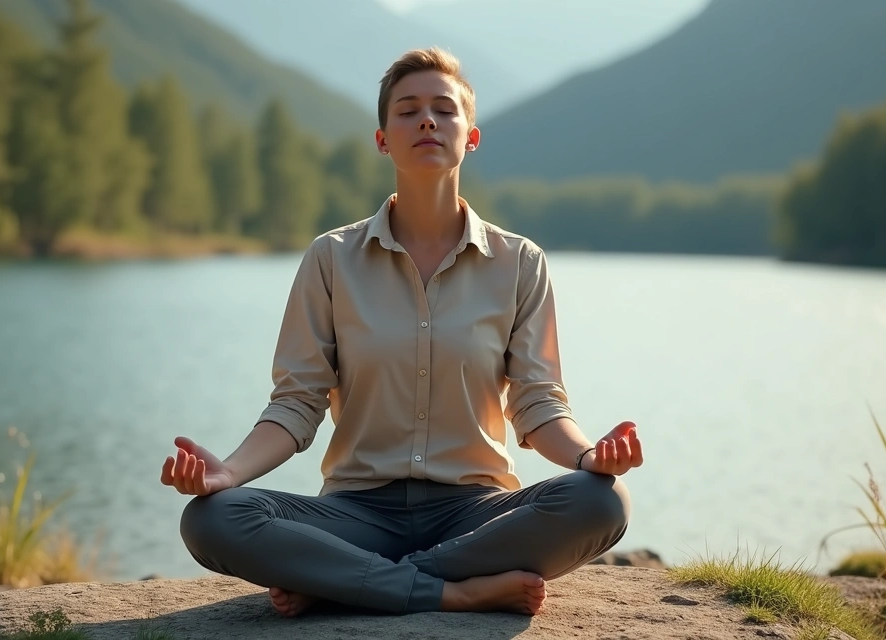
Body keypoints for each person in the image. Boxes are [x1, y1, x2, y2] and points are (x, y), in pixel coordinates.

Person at [160, 47, 644, 618]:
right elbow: (297, 403)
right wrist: (228, 472)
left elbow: (537, 404)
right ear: (383, 139)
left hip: (475, 513)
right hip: (356, 512)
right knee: (213, 518)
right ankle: (450, 590)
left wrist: (589, 456)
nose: (427, 121)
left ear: (471, 137)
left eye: (444, 109)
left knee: (602, 501)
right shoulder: (331, 259)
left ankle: (343, 582)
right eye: (409, 111)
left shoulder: (519, 262)